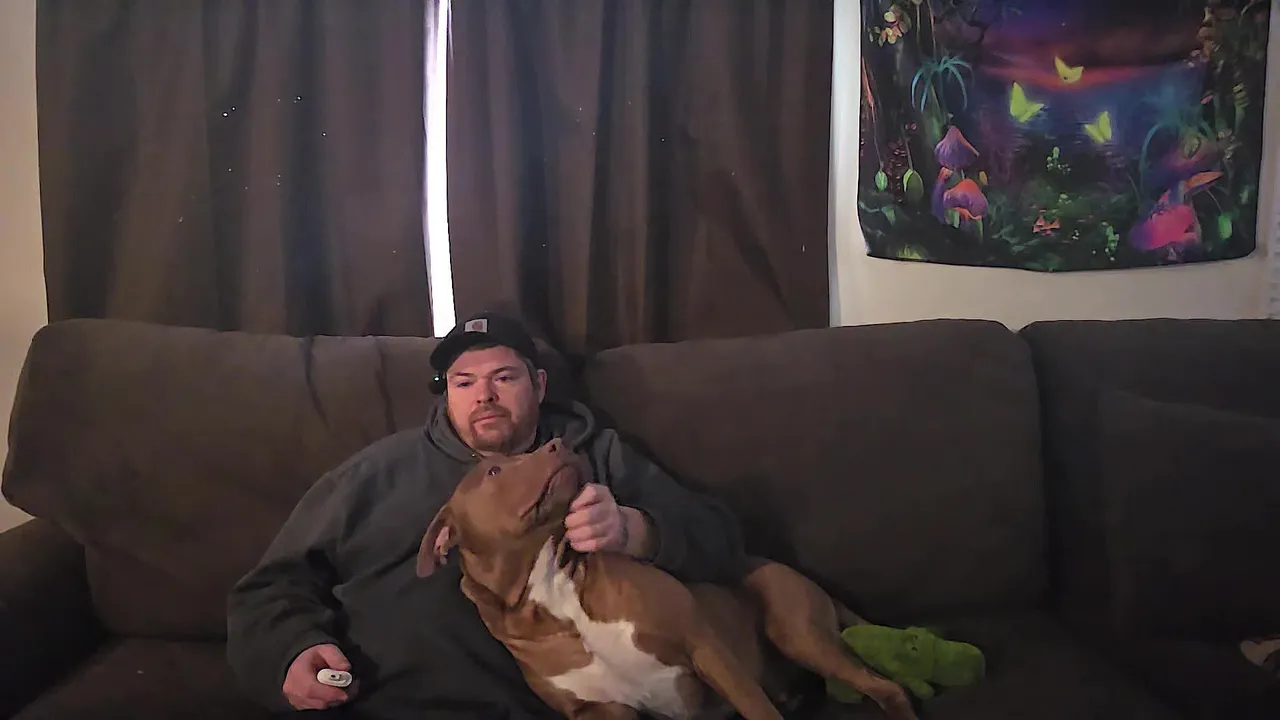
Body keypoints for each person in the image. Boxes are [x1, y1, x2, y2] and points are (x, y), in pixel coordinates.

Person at [226, 312, 748, 719]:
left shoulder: (597, 456)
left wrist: (635, 529)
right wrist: (291, 650)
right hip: (381, 704)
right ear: (446, 394)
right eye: (464, 382)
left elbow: (722, 538)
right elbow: (271, 585)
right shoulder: (377, 473)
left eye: (503, 377)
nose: (485, 396)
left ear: (539, 385)